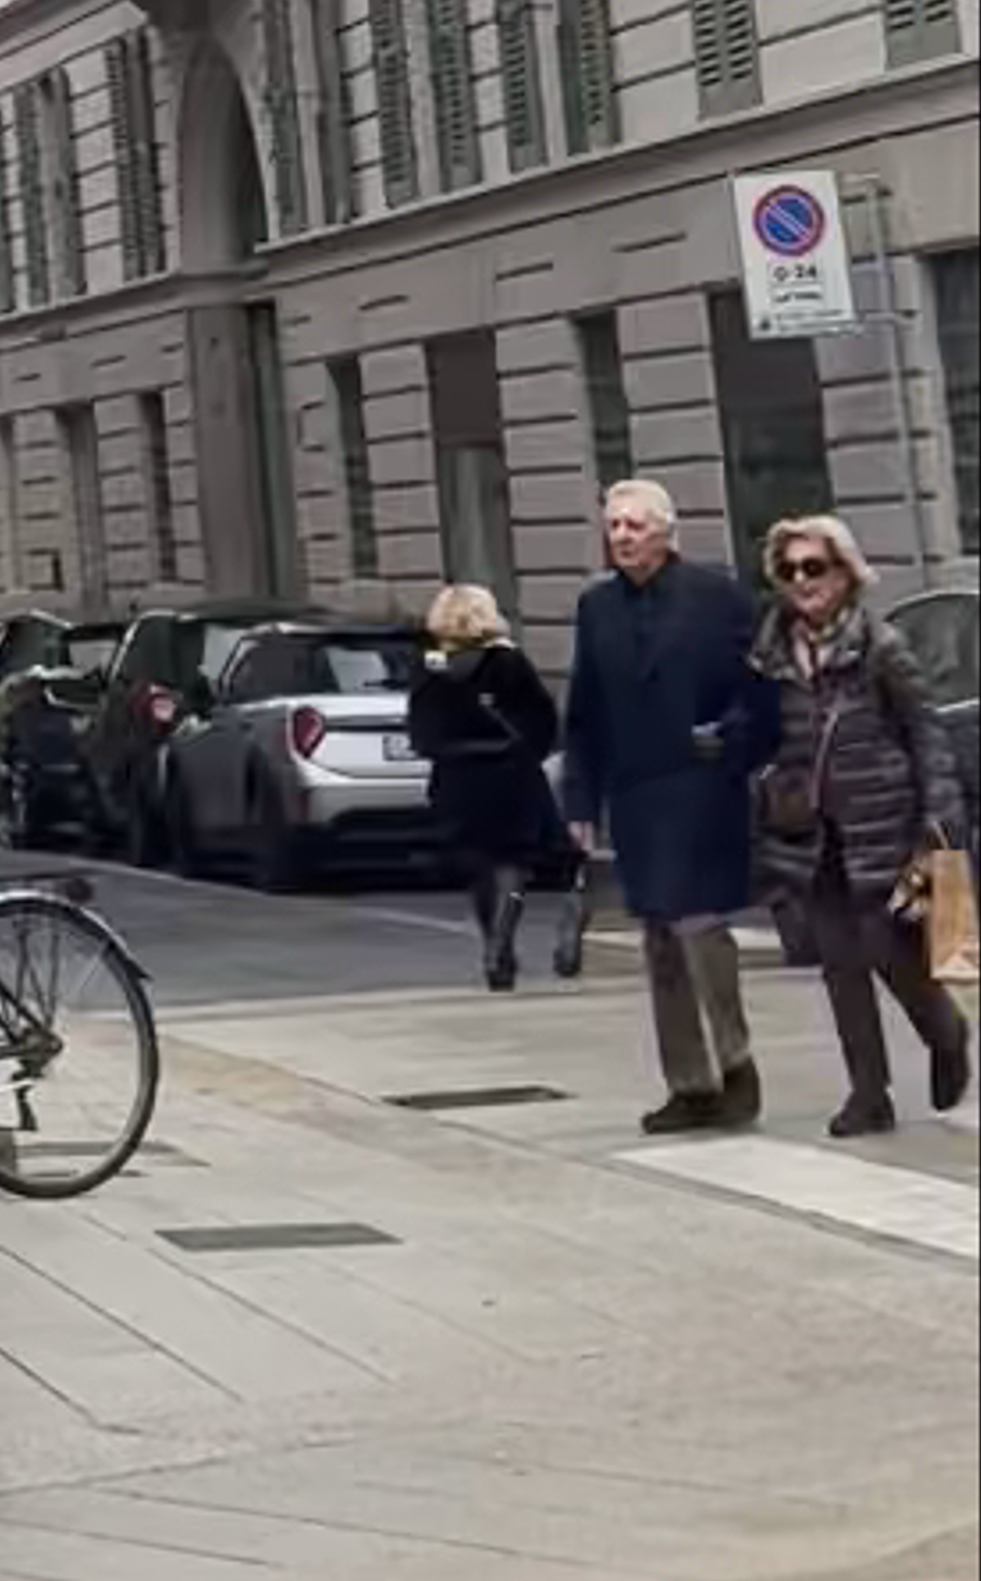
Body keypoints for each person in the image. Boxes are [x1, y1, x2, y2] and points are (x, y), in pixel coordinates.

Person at [557, 475, 782, 1132]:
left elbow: (760, 694)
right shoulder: (596, 607)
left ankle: (737, 1063)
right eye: (614, 525)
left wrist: (732, 744)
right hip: (635, 794)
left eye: (635, 524)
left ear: (665, 530)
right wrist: (580, 797)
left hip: (701, 787)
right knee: (659, 938)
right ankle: (690, 1083)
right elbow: (585, 710)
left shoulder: (718, 598)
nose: (622, 536)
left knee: (699, 929)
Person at [751, 512, 973, 1142]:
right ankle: (868, 1096)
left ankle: (947, 1031)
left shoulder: (882, 648)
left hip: (885, 826)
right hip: (811, 837)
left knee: (892, 954)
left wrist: (939, 819)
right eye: (789, 570)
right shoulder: (769, 652)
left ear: (846, 574)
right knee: (840, 966)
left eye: (814, 567)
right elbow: (766, 735)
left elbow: (925, 732)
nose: (801, 581)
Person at [406, 585, 584, 989]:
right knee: (513, 863)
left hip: (456, 778)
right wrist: (527, 751)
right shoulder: (507, 662)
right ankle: (501, 941)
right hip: (509, 773)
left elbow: (420, 731)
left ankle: (491, 941)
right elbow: (542, 717)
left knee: (478, 866)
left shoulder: (429, 668)